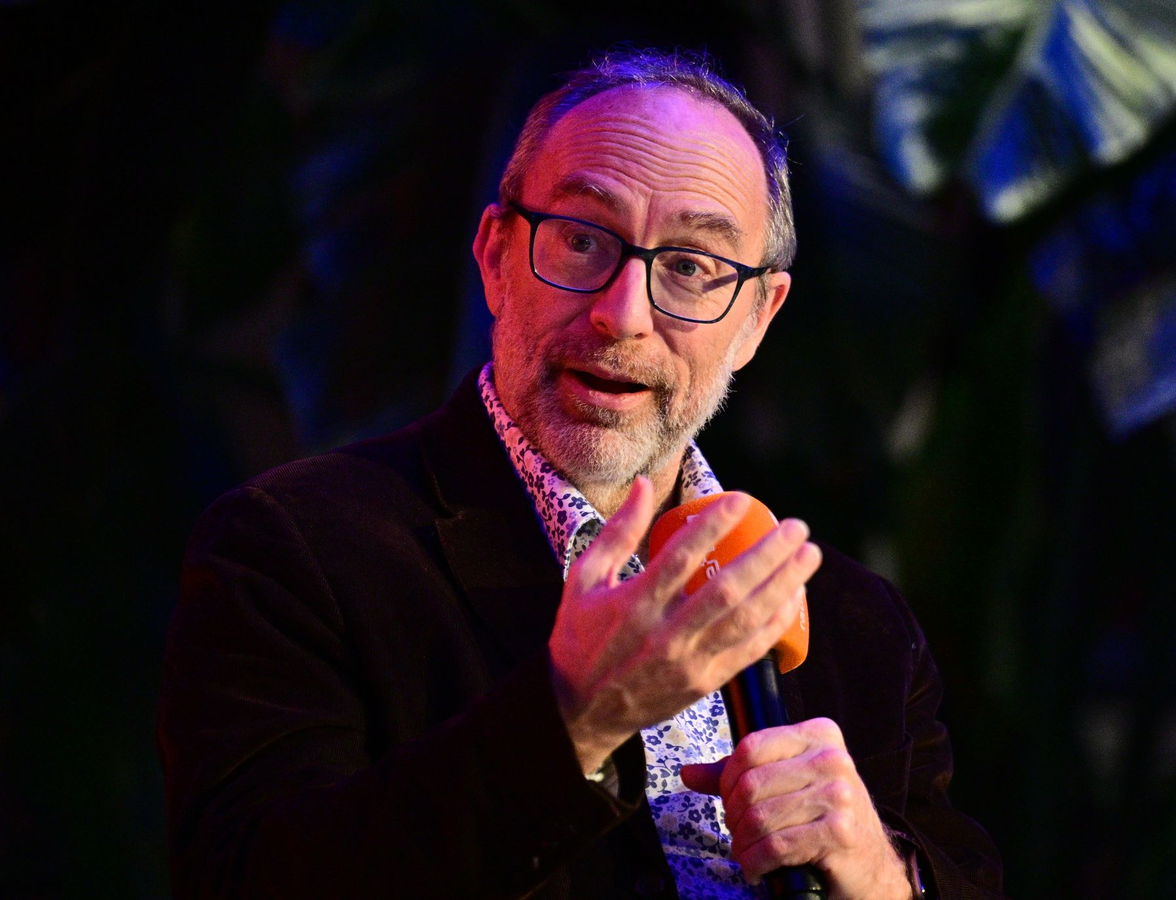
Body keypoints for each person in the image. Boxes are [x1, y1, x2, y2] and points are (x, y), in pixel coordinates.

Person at [158, 48, 1004, 899]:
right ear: (495, 256)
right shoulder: (299, 549)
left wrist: (881, 874)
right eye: (581, 240)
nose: (622, 315)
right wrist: (573, 718)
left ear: (756, 318)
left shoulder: (860, 625)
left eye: (690, 267)